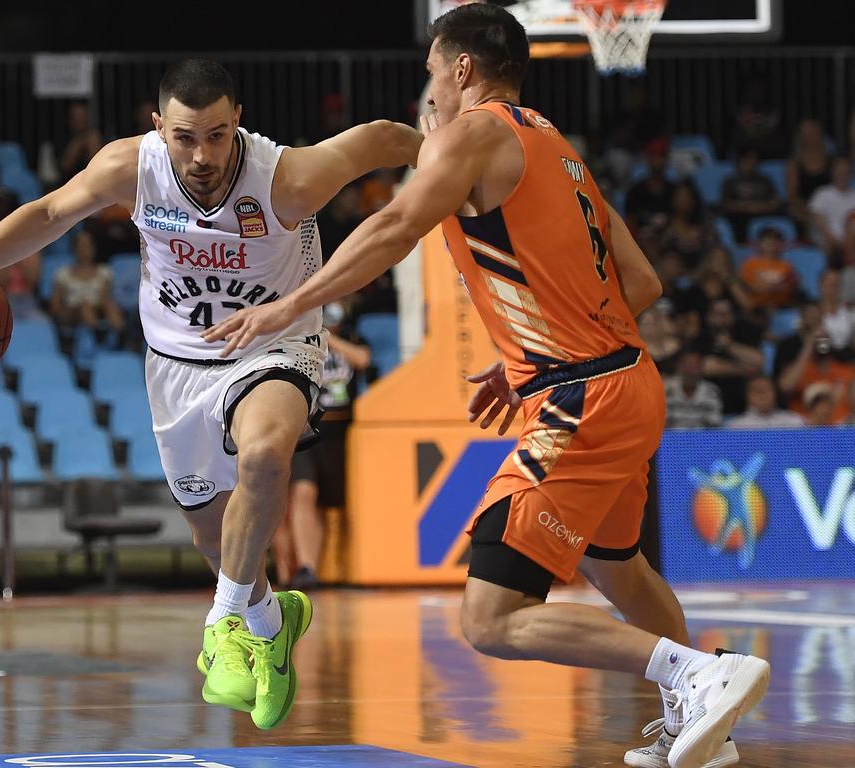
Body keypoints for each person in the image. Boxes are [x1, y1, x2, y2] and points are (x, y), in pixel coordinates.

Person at [203, 7, 768, 768]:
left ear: (461, 68)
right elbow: (641, 281)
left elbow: (398, 223)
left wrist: (291, 304)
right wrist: (523, 357)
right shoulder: (555, 145)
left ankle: (701, 673)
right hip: (628, 383)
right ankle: (708, 721)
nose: (429, 86)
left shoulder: (472, 134)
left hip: (581, 399)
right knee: (617, 566)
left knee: (491, 618)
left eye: (433, 70)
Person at [0, 58, 422, 730]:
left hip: (271, 345)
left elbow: (380, 138)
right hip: (175, 364)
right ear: (158, 127)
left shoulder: (287, 178)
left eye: (218, 135)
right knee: (211, 534)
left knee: (264, 454)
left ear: (239, 124)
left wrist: (442, 144)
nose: (202, 155)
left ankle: (224, 622)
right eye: (185, 137)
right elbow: (51, 211)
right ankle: (267, 615)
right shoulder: (130, 167)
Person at [286, 301, 370, 590]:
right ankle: (307, 569)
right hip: (306, 429)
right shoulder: (299, 340)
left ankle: (324, 568)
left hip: (342, 429)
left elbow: (362, 359)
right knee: (304, 491)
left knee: (329, 502)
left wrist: (329, 337)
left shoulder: (353, 338)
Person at [49, 230, 124, 340]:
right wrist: (72, 309)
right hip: (72, 312)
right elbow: (55, 306)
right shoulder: (63, 274)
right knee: (85, 308)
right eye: (82, 245)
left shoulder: (104, 272)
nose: (85, 249)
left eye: (89, 245)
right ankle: (96, 338)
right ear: (74, 248)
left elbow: (106, 298)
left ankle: (121, 338)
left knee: (109, 306)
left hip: (98, 308)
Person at [719, 146, 781, 244]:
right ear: (739, 161)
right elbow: (725, 204)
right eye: (747, 160)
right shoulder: (730, 181)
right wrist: (745, 207)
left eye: (753, 160)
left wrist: (760, 207)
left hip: (762, 213)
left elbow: (775, 202)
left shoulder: (765, 180)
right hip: (740, 215)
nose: (750, 163)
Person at [739, 226, 799, 310]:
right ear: (759, 243)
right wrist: (772, 288)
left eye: (775, 242)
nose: (771, 245)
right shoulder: (750, 264)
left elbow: (791, 286)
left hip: (781, 306)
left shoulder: (787, 266)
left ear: (781, 245)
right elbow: (747, 287)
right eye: (767, 242)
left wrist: (774, 288)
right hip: (757, 307)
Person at [808, 156, 855, 262]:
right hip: (827, 239)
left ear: (851, 173)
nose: (842, 174)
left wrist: (848, 242)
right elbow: (817, 219)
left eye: (845, 171)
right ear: (832, 172)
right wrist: (831, 239)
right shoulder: (822, 193)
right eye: (839, 171)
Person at [663, 349, 723, 429]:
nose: (692, 370)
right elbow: (662, 422)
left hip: (702, 439)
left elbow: (714, 423)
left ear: (702, 367)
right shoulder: (666, 388)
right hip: (672, 439)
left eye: (696, 365)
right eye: (688, 364)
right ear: (679, 366)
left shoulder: (711, 390)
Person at [727, 376, 804, 429]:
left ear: (775, 393)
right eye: (757, 391)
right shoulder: (736, 426)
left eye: (766, 390)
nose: (762, 395)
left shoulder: (794, 422)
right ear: (747, 396)